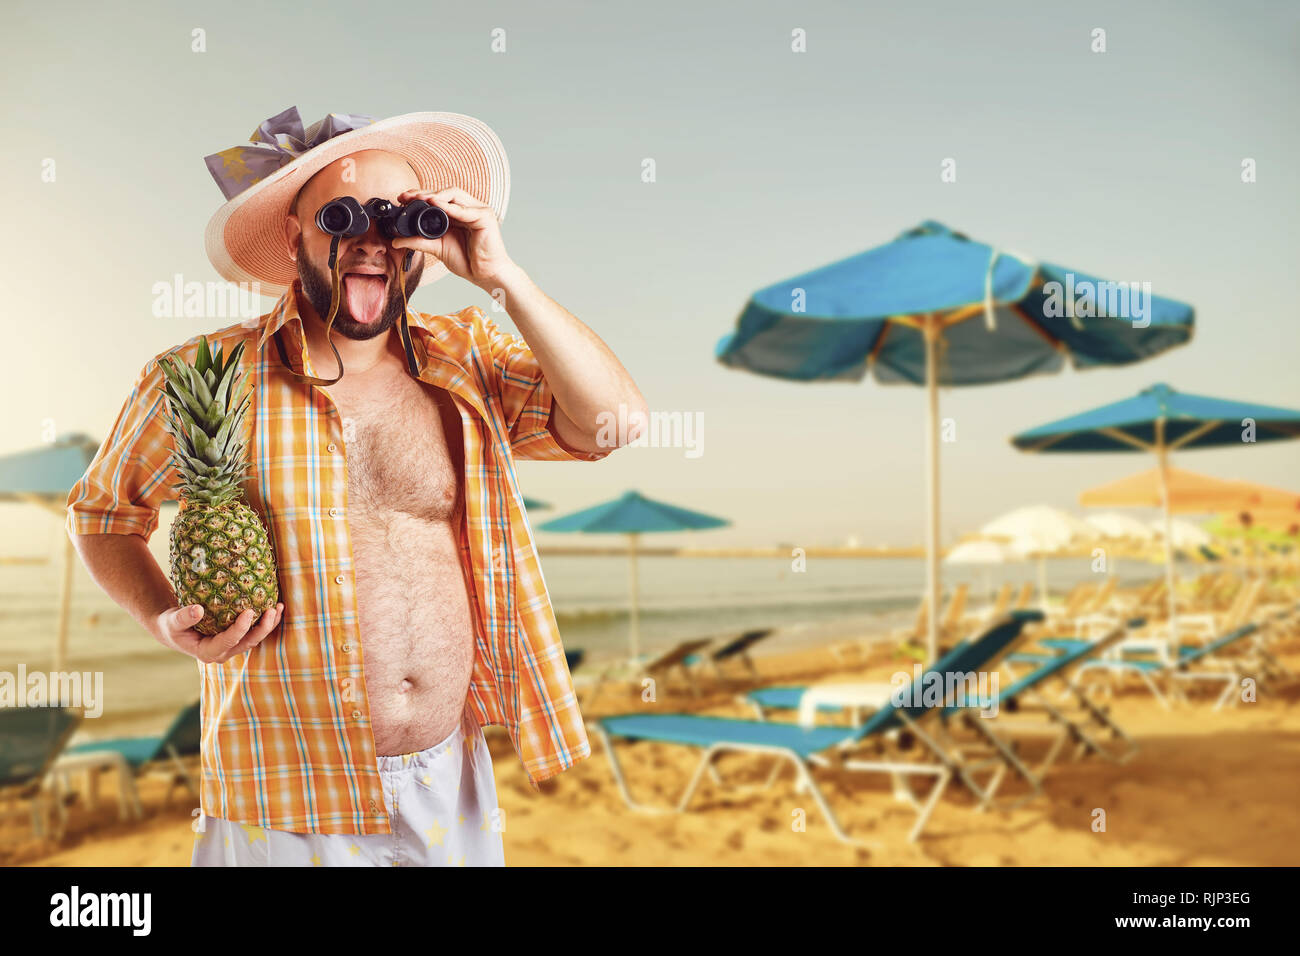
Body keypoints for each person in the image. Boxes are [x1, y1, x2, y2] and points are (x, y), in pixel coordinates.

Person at [66, 107, 646, 866]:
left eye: (399, 217)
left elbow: (616, 422)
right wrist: (159, 617)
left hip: (448, 774)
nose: (372, 239)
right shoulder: (202, 374)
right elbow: (104, 516)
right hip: (282, 784)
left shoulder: (467, 356)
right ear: (294, 235)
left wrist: (507, 277)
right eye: (342, 218)